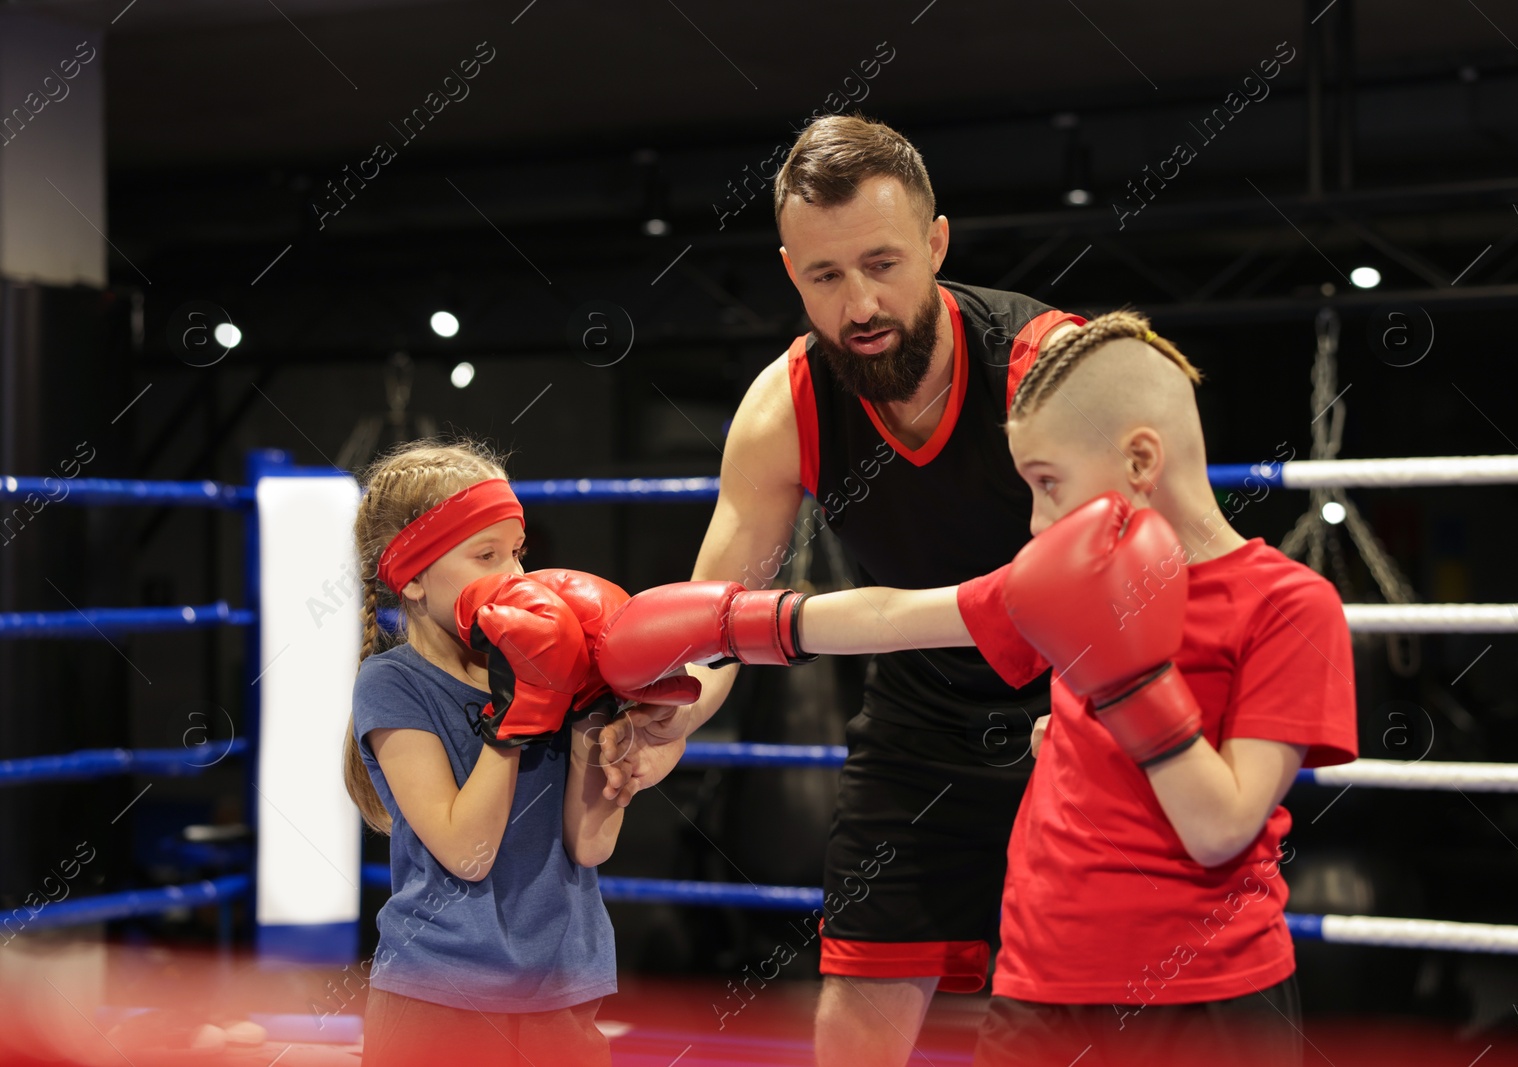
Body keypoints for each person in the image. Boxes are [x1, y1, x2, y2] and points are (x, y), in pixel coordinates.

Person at [598, 311, 1358, 1066]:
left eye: (1048, 483)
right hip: (1038, 985)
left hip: (1212, 995)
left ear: (1140, 460)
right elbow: (896, 611)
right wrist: (731, 623)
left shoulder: (1287, 605)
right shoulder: (1060, 582)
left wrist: (1126, 687)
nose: (1034, 520)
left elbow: (1220, 824)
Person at [597, 113, 1086, 1065]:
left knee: (1068, 1018)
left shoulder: (1044, 367)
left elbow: (1120, 577)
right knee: (858, 1007)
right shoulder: (787, 406)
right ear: (791, 271)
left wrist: (1100, 708)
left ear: (937, 243)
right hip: (917, 720)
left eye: (883, 263)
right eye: (826, 276)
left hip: (1072, 710)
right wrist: (665, 717)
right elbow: (714, 617)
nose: (860, 302)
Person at [342, 438, 688, 1067]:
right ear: (414, 577)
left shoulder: (541, 657)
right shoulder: (393, 684)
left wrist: (588, 705)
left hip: (564, 987)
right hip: (439, 997)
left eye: (517, 553)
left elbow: (591, 845)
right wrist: (519, 714)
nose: (514, 577)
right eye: (486, 555)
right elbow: (468, 854)